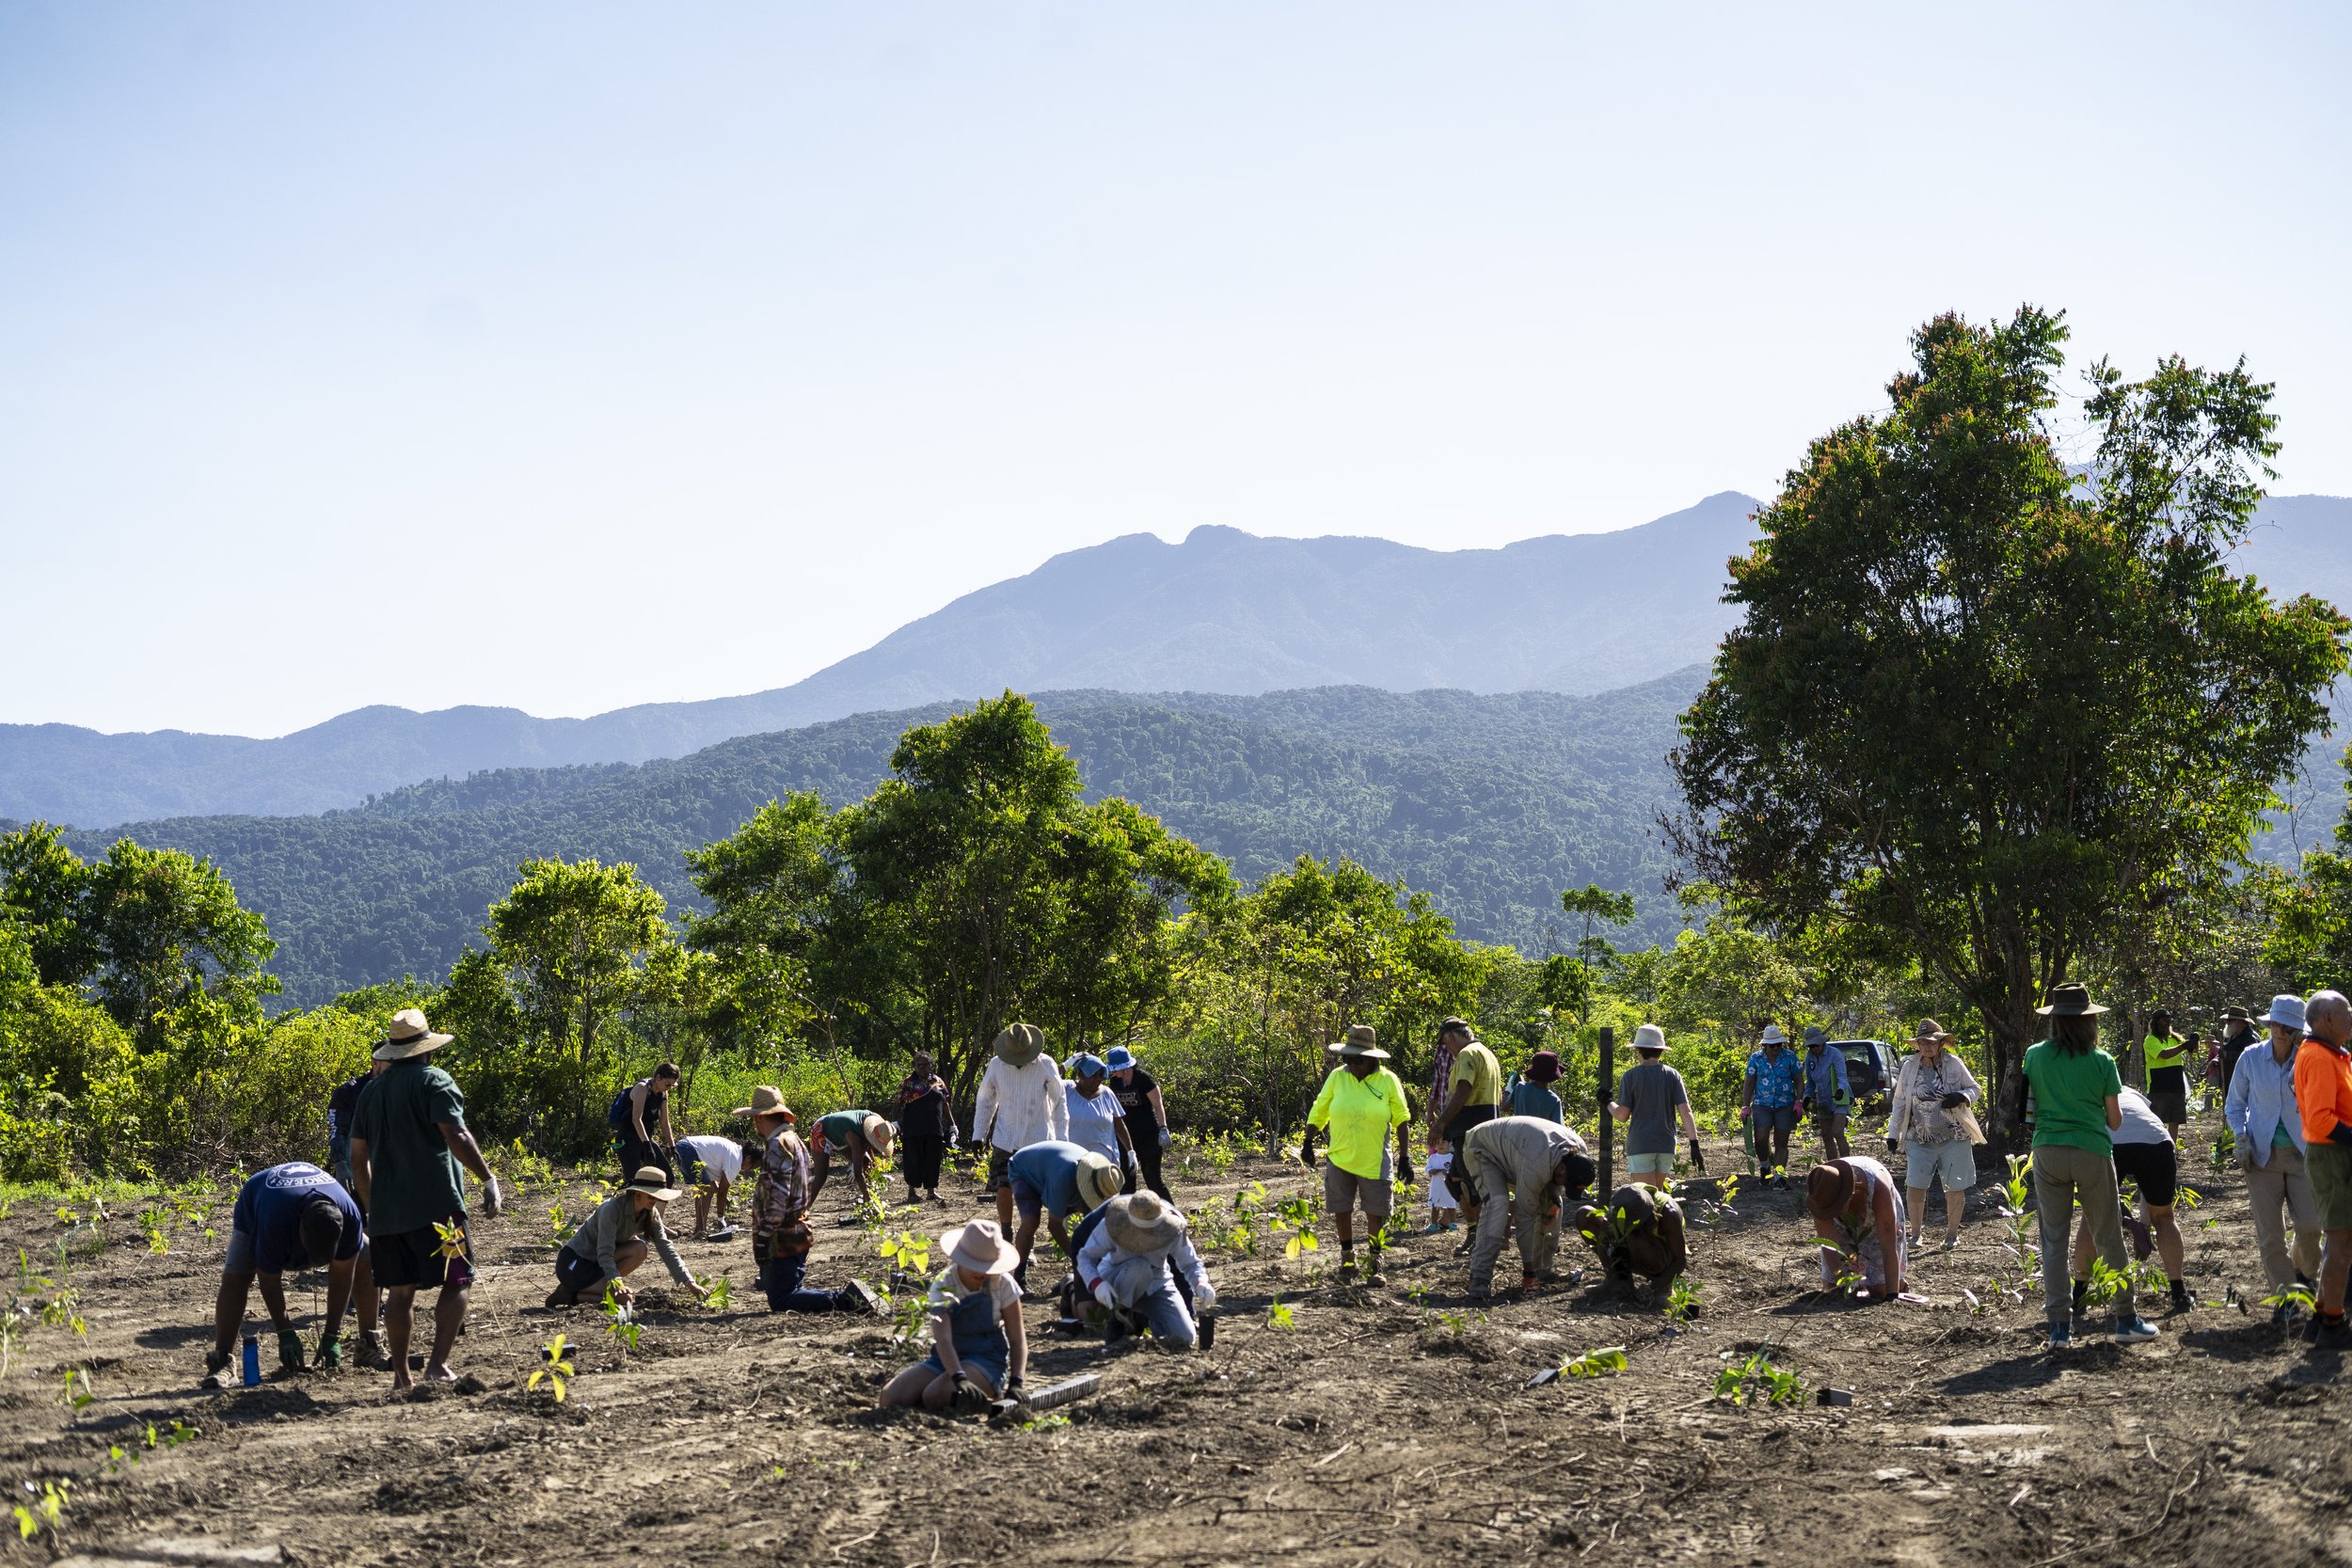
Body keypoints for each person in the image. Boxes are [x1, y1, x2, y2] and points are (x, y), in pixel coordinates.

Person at [347, 1007, 502, 1393]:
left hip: (388, 1215)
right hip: (439, 1209)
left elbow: (357, 1159)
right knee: (458, 1280)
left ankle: (402, 1376)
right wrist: (488, 1179)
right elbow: (456, 1135)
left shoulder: (370, 1092)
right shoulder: (435, 1080)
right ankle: (437, 1365)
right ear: (426, 1049)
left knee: (400, 1292)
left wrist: (373, 1208)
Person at [2016, 983, 2155, 1348]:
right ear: (2089, 1021)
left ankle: (2059, 1327)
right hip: (2091, 1151)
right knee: (2108, 1236)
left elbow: (2028, 1109)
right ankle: (2126, 1318)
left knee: (2053, 1240)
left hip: (2047, 1151)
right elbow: (2115, 1121)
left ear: (2055, 1020)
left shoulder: (2034, 1055)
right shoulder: (2102, 1061)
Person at [201, 1162, 372, 1386]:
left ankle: (370, 1347)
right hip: (258, 1200)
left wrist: (332, 1334)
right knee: (237, 1275)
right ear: (301, 1229)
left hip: (298, 1206)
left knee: (367, 1257)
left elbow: (342, 1277)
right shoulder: (274, 1220)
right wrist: (285, 1332)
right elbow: (269, 1280)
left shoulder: (350, 1217)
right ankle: (222, 1362)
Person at [735, 1085, 882, 1314]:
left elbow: (778, 1194)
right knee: (784, 1293)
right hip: (795, 1230)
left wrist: (765, 1235)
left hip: (782, 1234)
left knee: (783, 1299)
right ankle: (848, 1300)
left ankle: (848, 1301)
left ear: (760, 1118)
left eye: (754, 1118)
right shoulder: (793, 1140)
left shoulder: (778, 1145)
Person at [2224, 993, 2320, 1319]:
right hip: (2261, 1156)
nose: (2280, 1031)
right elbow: (2235, 1104)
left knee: (2310, 1226)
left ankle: (2303, 1274)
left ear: (2298, 1030)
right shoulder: (2251, 1058)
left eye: (2288, 1026)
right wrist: (2240, 1138)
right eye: (2276, 1024)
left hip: (2303, 1154)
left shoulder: (2310, 1060)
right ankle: (2286, 1298)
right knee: (2270, 1235)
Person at [1299, 1025, 1415, 1281]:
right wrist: (1307, 1141)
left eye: (1357, 1060)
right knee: (1341, 1208)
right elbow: (1321, 1108)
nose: (1351, 1064)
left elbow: (1401, 1119)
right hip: (1340, 1157)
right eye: (1348, 1059)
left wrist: (1405, 1158)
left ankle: (1375, 1263)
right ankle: (1348, 1260)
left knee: (1376, 1212)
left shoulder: (1388, 1081)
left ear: (1371, 1058)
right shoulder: (1338, 1077)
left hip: (1374, 1160)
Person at [879, 1219, 1028, 1412]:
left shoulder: (1003, 1283)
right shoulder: (944, 1283)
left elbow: (1017, 1339)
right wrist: (958, 1376)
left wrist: (1016, 1381)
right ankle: (951, 1399)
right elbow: (943, 1339)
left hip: (987, 1359)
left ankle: (987, 1396)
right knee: (890, 1397)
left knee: (935, 1394)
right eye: (975, 1265)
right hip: (946, 1357)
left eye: (986, 1267)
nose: (981, 1272)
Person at [2069, 1087, 2192, 1317]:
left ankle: (2078, 1296)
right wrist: (2145, 1221)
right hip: (2156, 1142)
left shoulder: (2088, 1094)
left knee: (2091, 1218)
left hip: (2109, 1142)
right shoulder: (2134, 1095)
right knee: (2164, 1217)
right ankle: (2179, 1292)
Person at [1454, 1114, 1595, 1300]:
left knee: (1554, 1205)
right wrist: (1527, 1270)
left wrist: (1552, 1203)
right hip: (1482, 1148)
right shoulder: (1536, 1164)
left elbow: (1555, 1187)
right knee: (1498, 1203)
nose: (1564, 1186)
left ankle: (1542, 1269)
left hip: (1520, 1150)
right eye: (1566, 1183)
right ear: (1562, 1169)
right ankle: (1480, 1277)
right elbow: (1524, 1219)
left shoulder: (1578, 1152)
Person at [546, 1166, 709, 1307]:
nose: (655, 1200)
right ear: (638, 1193)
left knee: (639, 1248)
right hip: (575, 1265)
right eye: (651, 1196)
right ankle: (571, 1292)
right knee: (625, 1300)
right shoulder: (611, 1209)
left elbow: (666, 1247)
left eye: (657, 1197)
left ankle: (574, 1295)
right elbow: (604, 1252)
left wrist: (689, 1282)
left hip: (598, 1264)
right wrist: (616, 1281)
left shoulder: (650, 1214)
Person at [1885, 1020, 1982, 1251]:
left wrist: (1961, 1096)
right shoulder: (1909, 1066)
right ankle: (1916, 1235)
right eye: (1923, 1042)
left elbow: (1975, 1088)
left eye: (1932, 1042)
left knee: (1955, 1186)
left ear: (1941, 1043)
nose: (1927, 1046)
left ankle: (1952, 1235)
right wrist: (1893, 1133)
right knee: (1915, 1184)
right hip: (1918, 1136)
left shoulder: (1954, 1063)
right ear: (1917, 1044)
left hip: (1954, 1135)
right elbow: (1899, 1101)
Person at [1075, 1191, 1216, 1349]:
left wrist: (1201, 1283)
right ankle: (1119, 1318)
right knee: (1139, 1268)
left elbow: (1190, 1263)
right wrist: (1097, 1284)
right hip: (1118, 1278)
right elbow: (1085, 1257)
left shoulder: (1173, 1227)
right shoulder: (1113, 1223)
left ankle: (1141, 1319)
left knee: (1184, 1338)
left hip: (1158, 1281)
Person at [974, 1023, 1069, 1242]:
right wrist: (979, 1134)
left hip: (1038, 1140)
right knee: (1003, 1187)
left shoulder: (1046, 1064)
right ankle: (1006, 1233)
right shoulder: (996, 1065)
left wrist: (1062, 1140)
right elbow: (986, 1099)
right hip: (1005, 1138)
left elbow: (1059, 1102)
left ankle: (1027, 1241)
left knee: (1032, 1192)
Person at [2295, 990, 2352, 1348]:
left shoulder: (2333, 1055)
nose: (2351, 1018)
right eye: (2347, 1012)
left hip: (2336, 1155)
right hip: (2332, 1157)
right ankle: (2333, 1323)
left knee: (2342, 1240)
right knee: (2341, 1241)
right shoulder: (2317, 1056)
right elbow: (2320, 1119)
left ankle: (2320, 1317)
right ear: (2327, 1019)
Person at [1006, 1139, 1125, 1287]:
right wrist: (1078, 1257)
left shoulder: (1102, 1176)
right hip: (1023, 1168)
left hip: (1051, 1167)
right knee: (1031, 1221)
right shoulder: (1064, 1177)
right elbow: (1054, 1225)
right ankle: (1019, 1277)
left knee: (1091, 1221)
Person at [1610, 1023, 1702, 1189]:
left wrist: (1607, 1103)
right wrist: (1694, 1144)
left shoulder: (1630, 1076)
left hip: (1641, 1145)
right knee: (1658, 1194)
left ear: (1638, 1049)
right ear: (1660, 1050)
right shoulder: (1673, 1075)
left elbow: (1622, 1115)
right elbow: (1686, 1111)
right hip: (1666, 1145)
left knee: (1646, 1197)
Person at [1804, 1157, 1909, 1298]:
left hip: (1878, 1220)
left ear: (1848, 1195)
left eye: (1835, 1208)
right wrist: (1843, 1290)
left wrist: (1892, 1296)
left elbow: (1888, 1247)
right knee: (1831, 1289)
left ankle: (1899, 1283)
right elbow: (1830, 1248)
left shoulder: (1878, 1188)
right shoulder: (1820, 1193)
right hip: (1843, 1228)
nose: (1832, 1213)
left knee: (1880, 1292)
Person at [1575, 1181, 1688, 1292]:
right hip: (1630, 1245)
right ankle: (1621, 1282)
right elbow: (1603, 1240)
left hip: (1660, 1257)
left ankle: (1662, 1287)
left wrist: (1654, 1287)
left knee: (1636, 1238)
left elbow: (1680, 1259)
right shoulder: (1623, 1199)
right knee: (1584, 1215)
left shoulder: (1669, 1214)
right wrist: (1611, 1275)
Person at [1431, 1018, 1502, 1168]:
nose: (1447, 1048)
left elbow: (1463, 1090)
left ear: (1451, 1037)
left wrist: (1441, 1123)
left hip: (1469, 1129)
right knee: (1465, 1176)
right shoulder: (1488, 1054)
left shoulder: (1466, 1054)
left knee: (1465, 1176)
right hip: (1489, 1127)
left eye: (1445, 1043)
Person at [1105, 1046, 1174, 1200]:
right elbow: (1113, 1111)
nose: (1112, 1073)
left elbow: (1158, 1106)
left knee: (1153, 1180)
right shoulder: (1114, 1082)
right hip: (1126, 1138)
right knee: (1126, 1183)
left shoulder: (1144, 1079)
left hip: (1148, 1136)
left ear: (1124, 1067)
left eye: (1115, 1069)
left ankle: (1171, 1212)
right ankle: (1127, 1214)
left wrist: (1163, 1128)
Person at [1740, 1024, 1804, 1186]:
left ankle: (1779, 1176)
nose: (1776, 1048)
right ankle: (1764, 1167)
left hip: (1785, 1104)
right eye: (1772, 1045)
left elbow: (1798, 1079)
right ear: (1765, 1045)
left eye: (1778, 1044)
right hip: (1762, 1104)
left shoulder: (1789, 1056)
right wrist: (1745, 1106)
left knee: (1781, 1141)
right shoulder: (1756, 1058)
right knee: (1761, 1138)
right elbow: (1749, 1082)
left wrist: (1799, 1101)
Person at [893, 1053, 958, 1205]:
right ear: (915, 1067)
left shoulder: (938, 1082)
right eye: (919, 1065)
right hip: (912, 1129)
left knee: (933, 1160)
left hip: (934, 1128)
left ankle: (931, 1191)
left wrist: (953, 1125)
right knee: (913, 1160)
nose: (922, 1068)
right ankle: (912, 1192)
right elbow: (898, 1102)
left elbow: (945, 1104)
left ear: (931, 1065)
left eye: (926, 1064)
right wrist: (894, 1122)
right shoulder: (908, 1083)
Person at [806, 1110, 895, 1220]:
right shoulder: (856, 1140)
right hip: (821, 1131)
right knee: (821, 1176)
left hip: (840, 1132)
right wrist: (870, 1201)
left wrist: (874, 1168)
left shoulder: (877, 1122)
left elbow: (869, 1148)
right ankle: (801, 1213)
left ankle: (867, 1206)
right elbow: (858, 1173)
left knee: (867, 1163)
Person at [1063, 1053, 1137, 1178]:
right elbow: (1045, 1082)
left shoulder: (1107, 1094)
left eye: (1101, 1075)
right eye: (1093, 1074)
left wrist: (1130, 1151)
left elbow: (1119, 1126)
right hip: (1071, 1161)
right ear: (1080, 1073)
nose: (1098, 1079)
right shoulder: (1066, 1089)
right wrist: (1066, 1065)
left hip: (1102, 1163)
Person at [609, 1064, 681, 1185]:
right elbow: (636, 1119)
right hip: (627, 1139)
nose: (669, 1088)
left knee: (668, 1178)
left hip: (646, 1139)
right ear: (658, 1077)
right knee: (633, 1182)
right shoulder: (642, 1088)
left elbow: (664, 1122)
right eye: (667, 1084)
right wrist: (647, 1146)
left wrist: (673, 1147)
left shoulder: (663, 1094)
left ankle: (654, 1199)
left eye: (672, 1085)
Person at [673, 1132, 744, 1241]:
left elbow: (714, 1182)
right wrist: (721, 1218)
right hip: (687, 1150)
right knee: (707, 1189)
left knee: (704, 1188)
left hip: (682, 1147)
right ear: (749, 1158)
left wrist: (717, 1190)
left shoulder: (733, 1149)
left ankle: (699, 1229)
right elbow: (722, 1192)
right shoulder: (736, 1159)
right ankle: (701, 1230)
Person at [1800, 1027, 1852, 1161]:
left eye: (1816, 1045)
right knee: (1826, 1135)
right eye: (1810, 1046)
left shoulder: (1835, 1054)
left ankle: (1847, 1164)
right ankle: (1833, 1165)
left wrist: (1840, 1090)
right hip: (1823, 1098)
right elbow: (1810, 1082)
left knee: (1837, 1132)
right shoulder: (1809, 1057)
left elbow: (1842, 1077)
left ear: (1822, 1042)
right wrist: (1807, 1097)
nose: (1813, 1048)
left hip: (1840, 1097)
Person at [2141, 1009, 2191, 1143]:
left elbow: (2191, 1049)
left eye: (2169, 1020)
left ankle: (2171, 1149)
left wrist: (2193, 1042)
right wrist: (2184, 1046)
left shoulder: (2175, 1039)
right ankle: (2156, 1148)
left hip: (2176, 1085)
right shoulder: (2150, 1040)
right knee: (2156, 1121)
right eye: (2164, 1020)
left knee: (2174, 1121)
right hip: (2158, 1087)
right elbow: (2164, 1054)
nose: (2167, 1023)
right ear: (2155, 1023)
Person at [2213, 1006, 2261, 1108]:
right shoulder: (2231, 1036)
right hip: (2230, 1082)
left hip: (2243, 1084)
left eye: (2230, 1020)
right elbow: (2224, 1051)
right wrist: (2217, 1060)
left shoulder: (2250, 1038)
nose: (2227, 1022)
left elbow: (2251, 1058)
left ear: (2241, 1022)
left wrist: (2228, 1055)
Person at [1505, 1051, 1565, 1123]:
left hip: (1517, 1130)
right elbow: (1559, 1127)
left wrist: (1509, 1088)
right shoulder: (1554, 1100)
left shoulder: (1520, 1088)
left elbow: (1505, 1107)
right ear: (1552, 1076)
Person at [1423, 1141, 1458, 1232]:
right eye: (1438, 1143)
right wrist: (1432, 1171)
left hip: (1448, 1186)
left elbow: (1455, 1170)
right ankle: (1434, 1224)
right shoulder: (1432, 1157)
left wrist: (1448, 1173)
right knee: (1435, 1205)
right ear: (1434, 1146)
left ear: (1449, 1144)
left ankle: (1452, 1224)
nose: (1441, 1145)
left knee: (1451, 1205)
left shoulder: (1452, 1157)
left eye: (1443, 1142)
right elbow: (1427, 1169)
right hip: (1436, 1186)